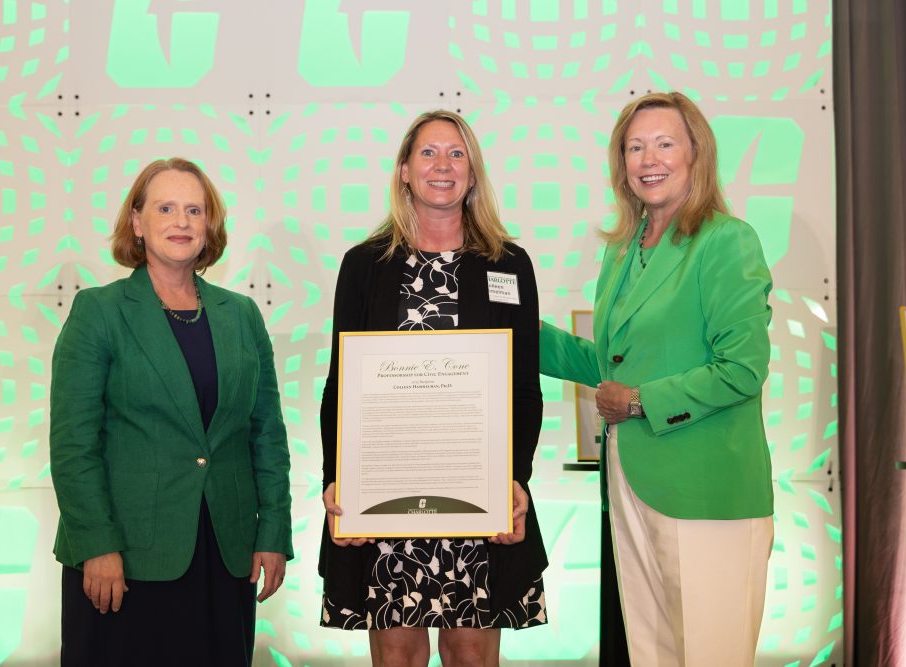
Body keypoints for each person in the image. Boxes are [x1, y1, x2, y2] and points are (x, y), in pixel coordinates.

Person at [539, 92, 774, 666]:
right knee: (653, 656)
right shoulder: (623, 251)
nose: (650, 158)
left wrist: (644, 402)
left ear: (697, 153)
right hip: (629, 482)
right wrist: (511, 324)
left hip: (707, 491)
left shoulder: (726, 240)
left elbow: (743, 368)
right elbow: (611, 368)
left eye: (665, 143)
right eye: (635, 146)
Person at [318, 110, 547, 666]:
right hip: (385, 497)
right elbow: (341, 385)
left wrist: (515, 480)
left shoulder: (509, 265)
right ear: (403, 170)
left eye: (456, 153)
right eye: (427, 153)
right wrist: (336, 483)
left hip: (477, 494)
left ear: (472, 174)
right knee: (396, 653)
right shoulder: (364, 265)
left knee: (471, 651)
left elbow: (522, 389)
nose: (441, 165)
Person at [49, 157, 292, 666]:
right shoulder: (100, 311)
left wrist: (272, 532)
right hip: (123, 561)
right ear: (137, 222)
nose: (181, 222)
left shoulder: (242, 315)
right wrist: (96, 545)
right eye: (165, 208)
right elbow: (74, 445)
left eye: (194, 210)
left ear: (210, 225)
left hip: (224, 557)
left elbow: (266, 433)